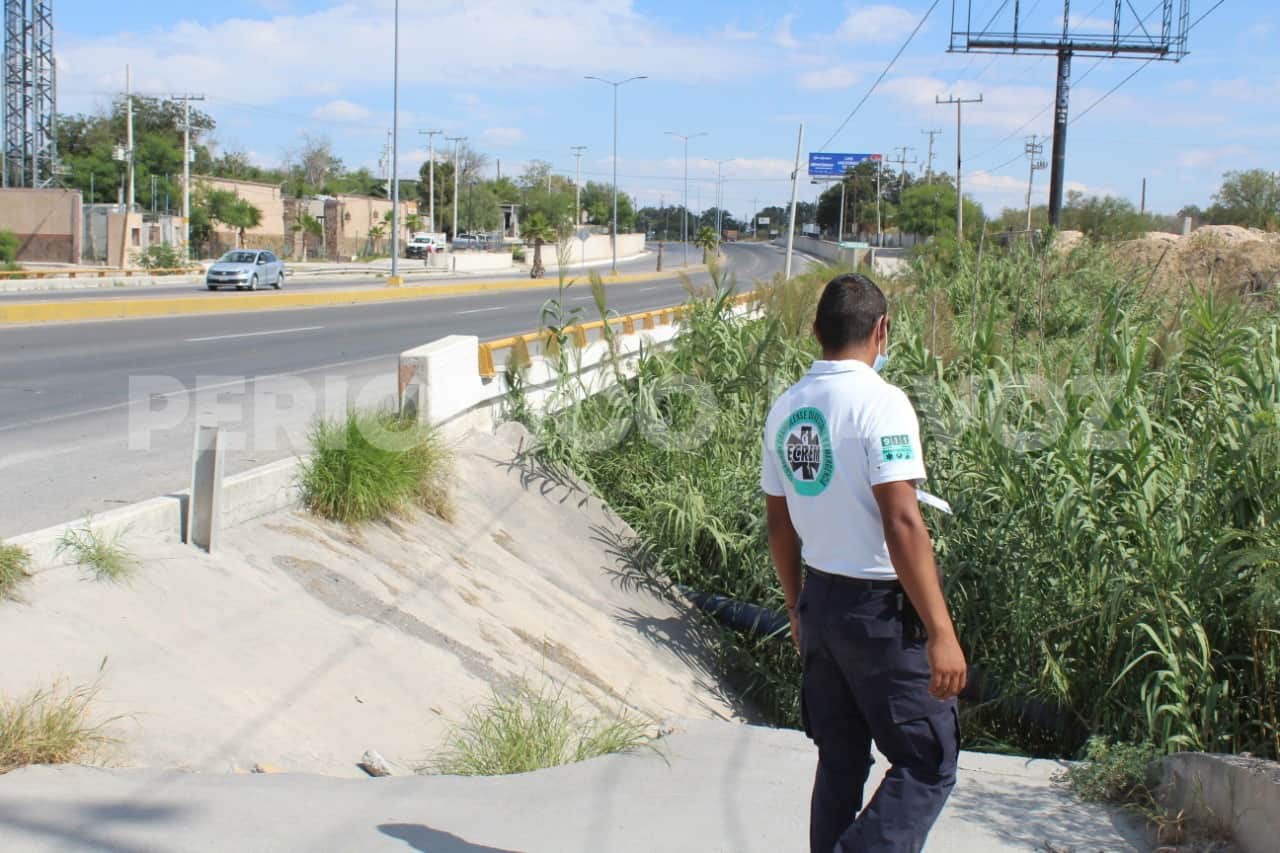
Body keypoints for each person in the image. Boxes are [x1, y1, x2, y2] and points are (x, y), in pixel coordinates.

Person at [761, 273, 967, 853]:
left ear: (815, 330)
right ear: (882, 329)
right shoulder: (882, 402)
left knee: (841, 759)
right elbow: (902, 522)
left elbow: (779, 525)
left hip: (821, 605)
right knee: (927, 761)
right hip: (880, 615)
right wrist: (941, 632)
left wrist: (797, 607)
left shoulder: (786, 407)